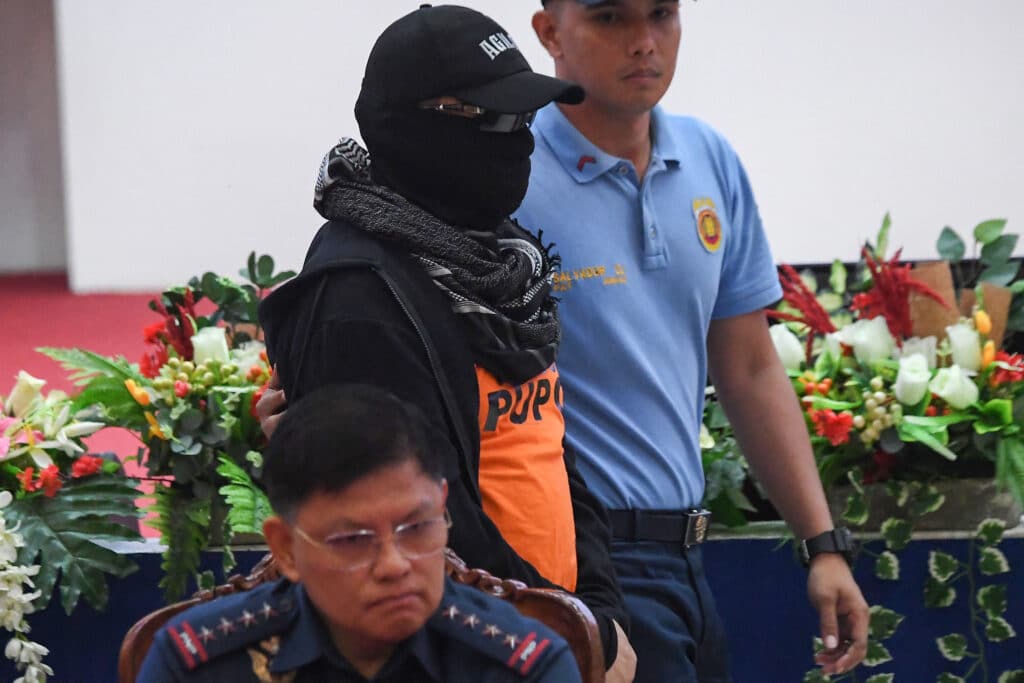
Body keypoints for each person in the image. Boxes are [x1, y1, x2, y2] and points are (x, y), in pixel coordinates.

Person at [256, 5, 634, 680]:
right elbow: (424, 518)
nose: (517, 139)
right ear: (414, 125)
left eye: (524, 120)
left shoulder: (499, 268)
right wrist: (556, 633)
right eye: (491, 119)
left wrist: (597, 617)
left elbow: (549, 446)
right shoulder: (357, 298)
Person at [514, 1, 870, 681]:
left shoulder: (708, 157)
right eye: (611, 16)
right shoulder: (507, 169)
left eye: (662, 14)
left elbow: (749, 369)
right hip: (576, 558)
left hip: (688, 554)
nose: (644, 42)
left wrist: (823, 543)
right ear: (550, 32)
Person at [138, 384, 582, 681]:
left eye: (416, 528)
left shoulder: (519, 665)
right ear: (287, 549)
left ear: (443, 508)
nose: (393, 565)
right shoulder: (199, 663)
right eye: (353, 539)